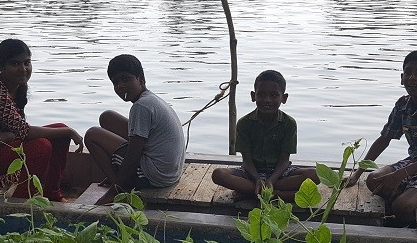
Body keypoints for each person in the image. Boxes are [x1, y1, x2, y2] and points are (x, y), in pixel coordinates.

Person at [346, 50, 417, 223]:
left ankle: (406, 220)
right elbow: (384, 139)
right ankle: (407, 203)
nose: (412, 78)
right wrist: (357, 173)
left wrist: (400, 175)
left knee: (402, 205)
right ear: (401, 77)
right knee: (373, 180)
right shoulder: (403, 104)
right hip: (416, 162)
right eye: (408, 72)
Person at [0, 38, 82, 202]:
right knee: (42, 146)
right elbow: (24, 131)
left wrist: (11, 135)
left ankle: (52, 193)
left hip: (2, 147)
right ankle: (22, 201)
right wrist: (70, 131)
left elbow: (18, 128)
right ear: (1, 67)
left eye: (27, 63)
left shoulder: (18, 86)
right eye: (15, 64)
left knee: (59, 131)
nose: (23, 69)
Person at [84, 54, 186, 205]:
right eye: (116, 82)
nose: (120, 86)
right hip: (169, 172)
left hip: (155, 176)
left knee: (92, 135)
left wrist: (115, 189)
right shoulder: (149, 99)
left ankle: (121, 188)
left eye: (126, 79)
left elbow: (133, 157)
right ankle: (117, 178)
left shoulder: (141, 106)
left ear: (141, 79)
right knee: (107, 117)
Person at [211, 70, 318, 202]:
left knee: (315, 175)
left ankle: (256, 191)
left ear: (283, 98)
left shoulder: (289, 123)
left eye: (273, 95)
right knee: (218, 174)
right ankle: (276, 194)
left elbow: (284, 161)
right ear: (253, 96)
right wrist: (257, 179)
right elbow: (247, 161)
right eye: (261, 95)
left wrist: (271, 180)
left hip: (279, 173)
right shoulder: (244, 123)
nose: (267, 100)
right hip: (251, 172)